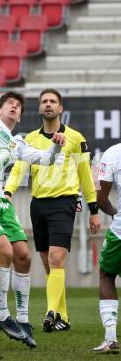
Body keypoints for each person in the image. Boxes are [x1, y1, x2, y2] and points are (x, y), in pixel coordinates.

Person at [0, 91, 66, 347]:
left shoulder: (16, 142)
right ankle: (1, 315)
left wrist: (56, 145)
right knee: (4, 252)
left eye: (18, 106)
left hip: (0, 201)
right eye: (10, 104)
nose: (14, 108)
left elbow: (46, 159)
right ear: (0, 107)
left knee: (23, 256)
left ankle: (23, 318)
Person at [4, 88, 101, 332]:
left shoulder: (76, 139)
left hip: (63, 203)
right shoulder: (30, 140)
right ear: (39, 108)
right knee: (49, 265)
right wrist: (7, 192)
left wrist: (94, 209)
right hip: (38, 205)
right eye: (44, 101)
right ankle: (63, 317)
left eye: (53, 101)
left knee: (57, 259)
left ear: (60, 109)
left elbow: (85, 177)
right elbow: (18, 170)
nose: (48, 104)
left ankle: (50, 313)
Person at [93, 143, 121, 354]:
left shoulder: (113, 153)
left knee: (107, 274)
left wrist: (113, 212)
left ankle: (111, 338)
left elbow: (100, 199)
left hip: (120, 232)